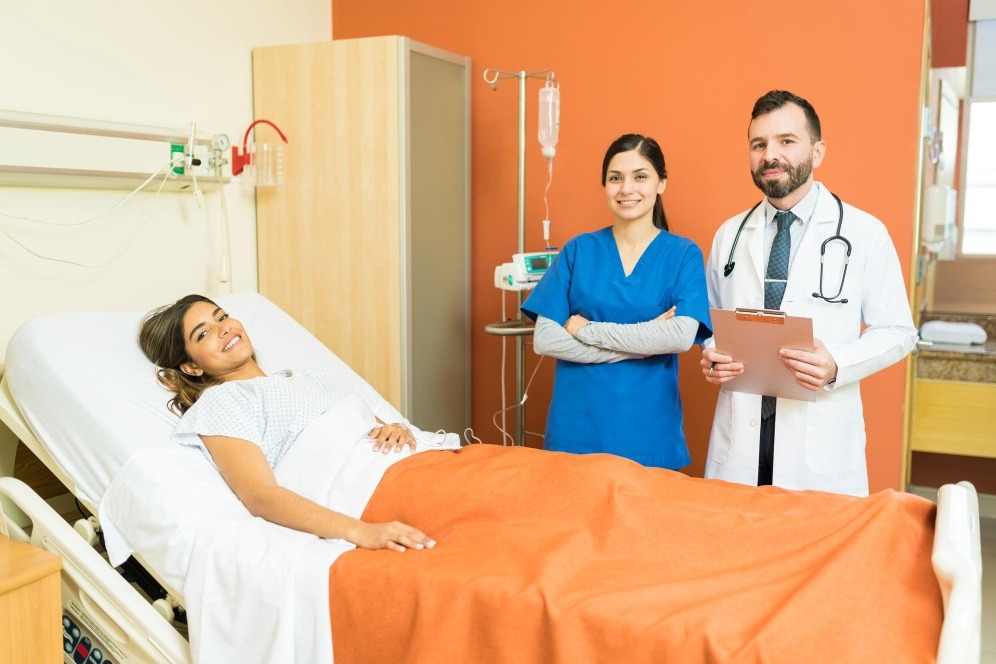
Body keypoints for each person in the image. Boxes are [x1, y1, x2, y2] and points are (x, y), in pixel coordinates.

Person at [700, 90, 917, 496]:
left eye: (786, 141)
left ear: (817, 152)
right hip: (742, 438)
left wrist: (836, 364)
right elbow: (712, 323)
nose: (770, 155)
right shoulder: (729, 235)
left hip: (819, 442)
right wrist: (713, 355)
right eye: (759, 144)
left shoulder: (864, 232)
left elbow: (898, 331)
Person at [138, 294, 437, 553]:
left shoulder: (308, 378)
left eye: (223, 317)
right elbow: (260, 495)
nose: (224, 328)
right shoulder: (222, 402)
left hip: (420, 463)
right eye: (204, 333)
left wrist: (396, 428)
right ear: (192, 366)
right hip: (378, 490)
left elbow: (377, 426)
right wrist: (359, 531)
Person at [521, 134, 712, 468]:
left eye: (640, 176)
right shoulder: (578, 250)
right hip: (576, 431)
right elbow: (546, 339)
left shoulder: (683, 254)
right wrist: (644, 342)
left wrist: (587, 330)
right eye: (615, 178)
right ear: (605, 185)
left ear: (661, 183)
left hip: (647, 433)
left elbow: (679, 337)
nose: (627, 189)